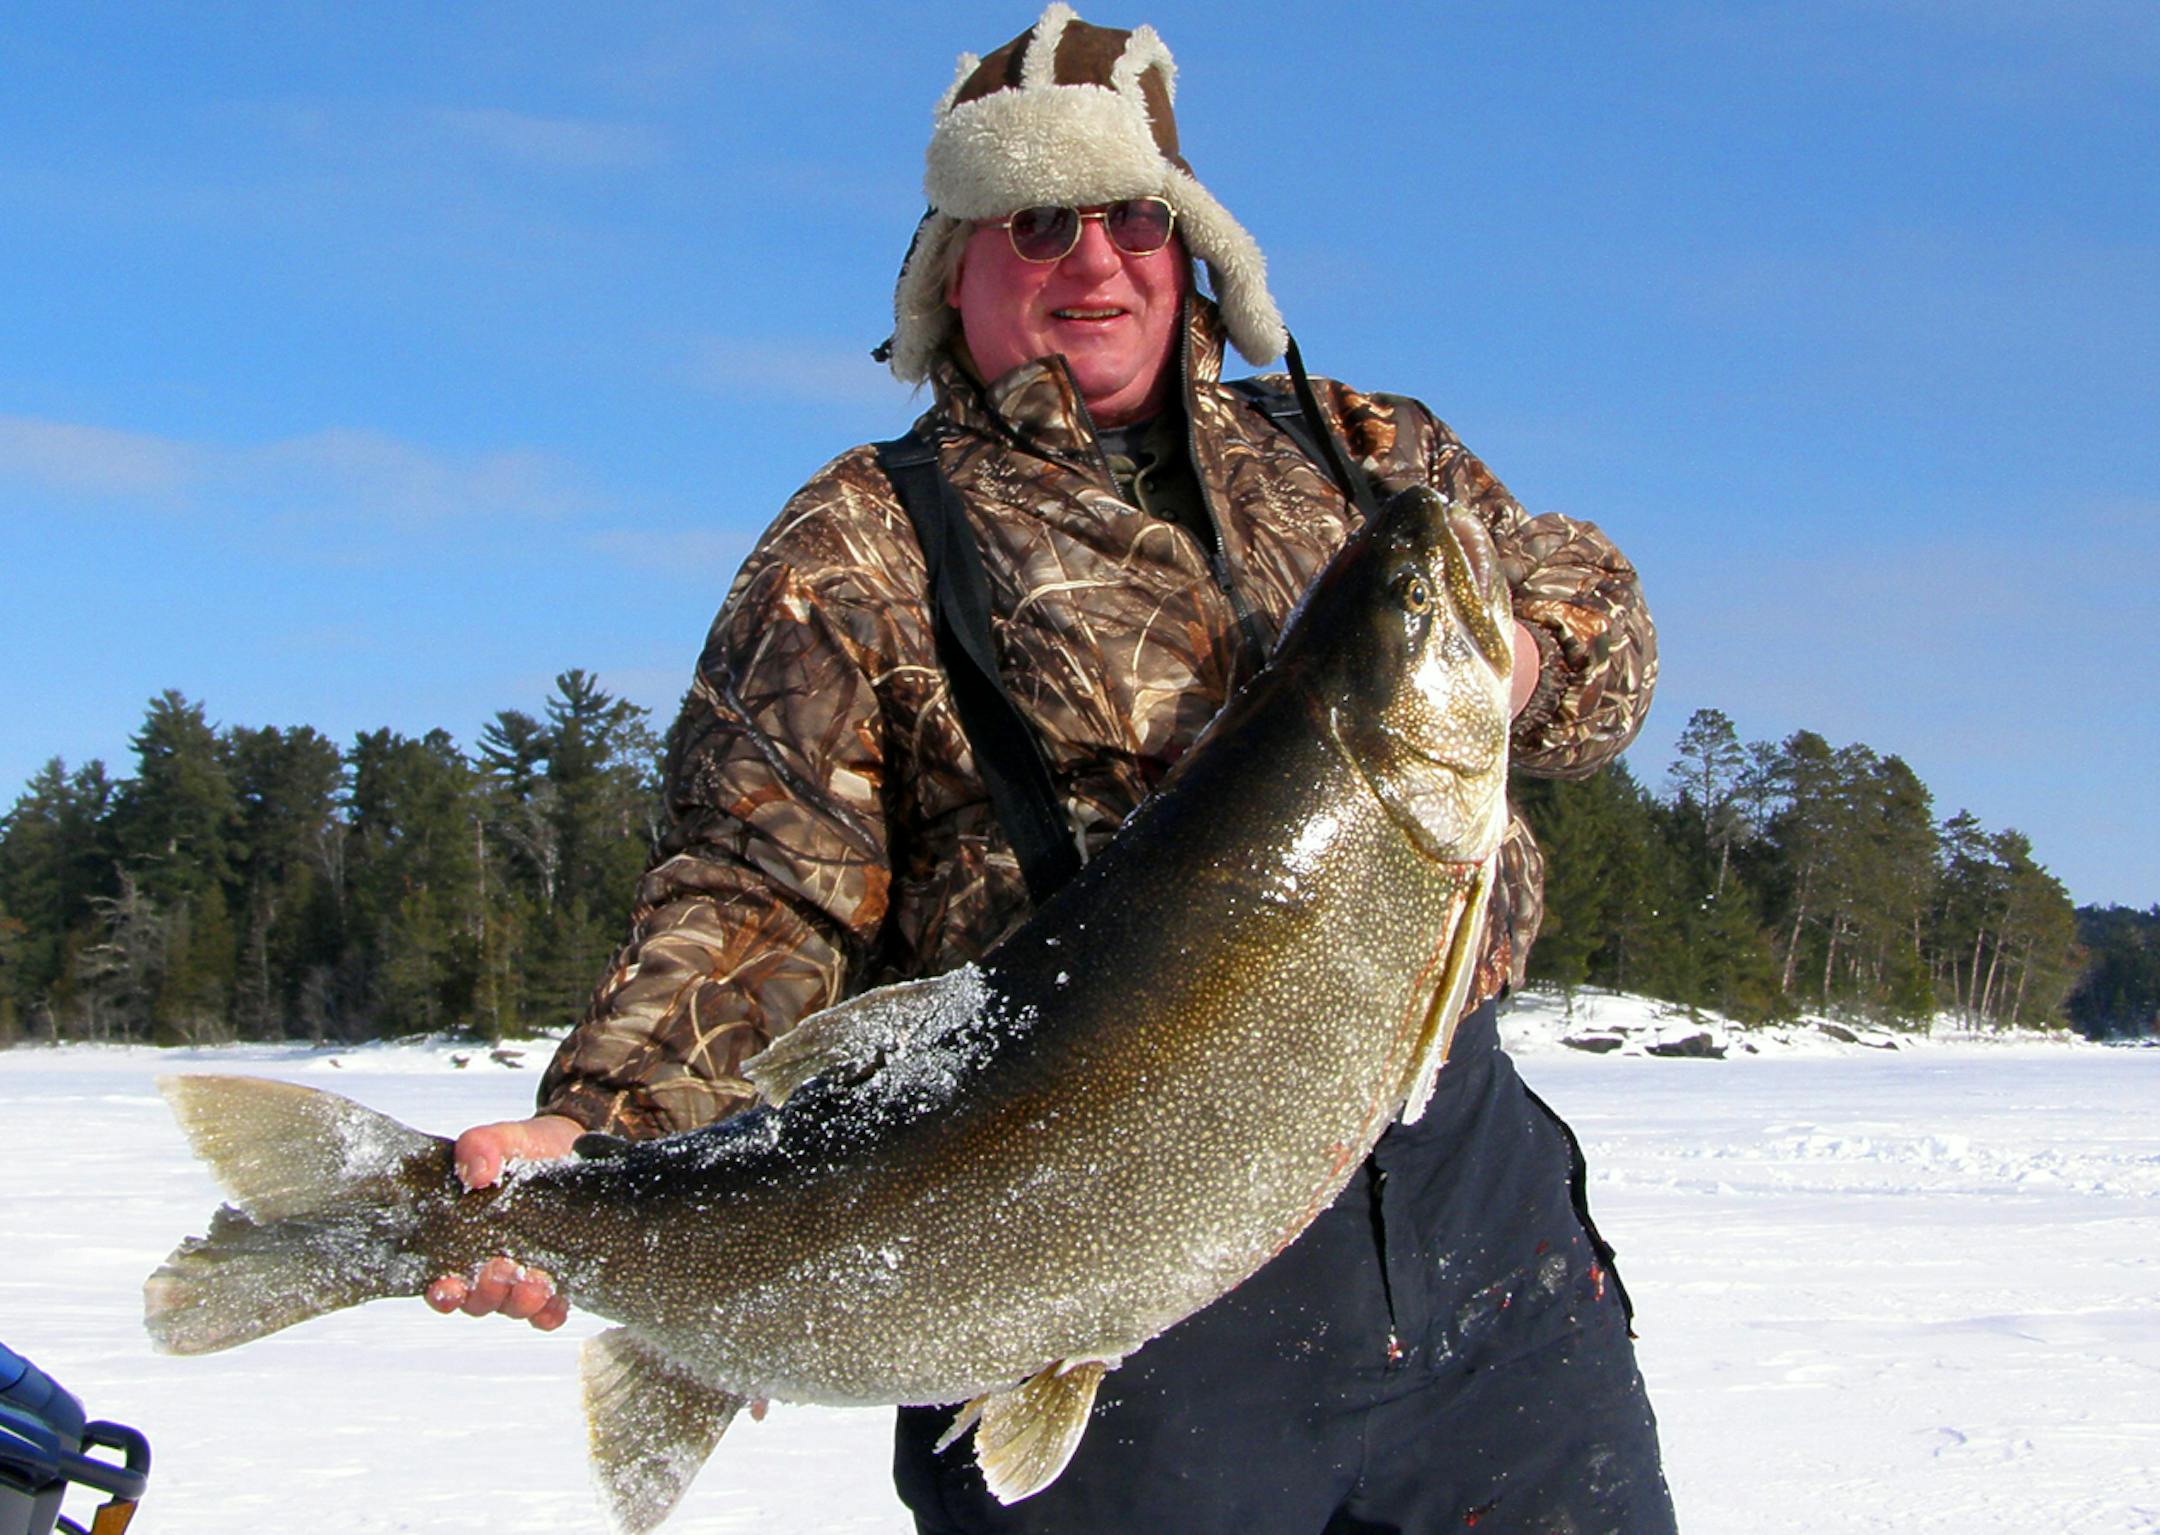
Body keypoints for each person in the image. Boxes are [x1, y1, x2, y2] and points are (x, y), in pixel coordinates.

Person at [429, 8, 1676, 1531]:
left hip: (1485, 1267)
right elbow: (759, 885)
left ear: (1191, 242)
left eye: (1135, 216)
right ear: (952, 264)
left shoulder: (1358, 447)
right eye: (1036, 222)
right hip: (1078, 1254)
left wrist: (1514, 655)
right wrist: (607, 1129)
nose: (1096, 260)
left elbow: (1592, 612)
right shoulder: (858, 541)